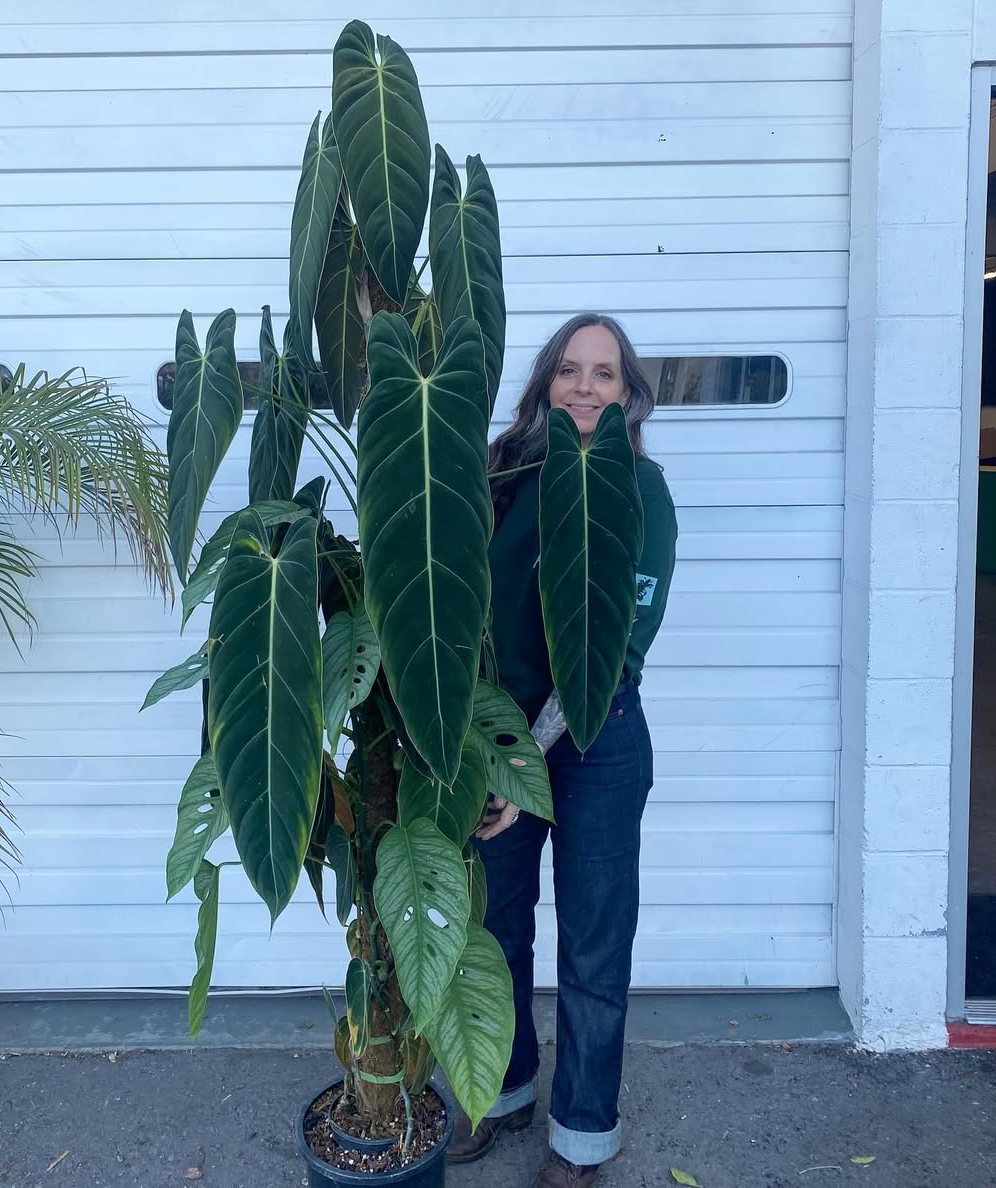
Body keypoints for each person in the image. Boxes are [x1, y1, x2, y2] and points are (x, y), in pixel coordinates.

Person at [448, 314, 677, 1187]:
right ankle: (501, 1094)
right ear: (547, 384)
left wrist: (523, 763)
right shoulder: (507, 477)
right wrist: (485, 753)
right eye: (569, 371)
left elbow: (612, 654)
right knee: (497, 926)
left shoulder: (640, 493)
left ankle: (582, 1135)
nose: (585, 387)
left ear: (629, 394)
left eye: (605, 374)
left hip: (598, 743)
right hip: (501, 734)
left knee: (593, 942)